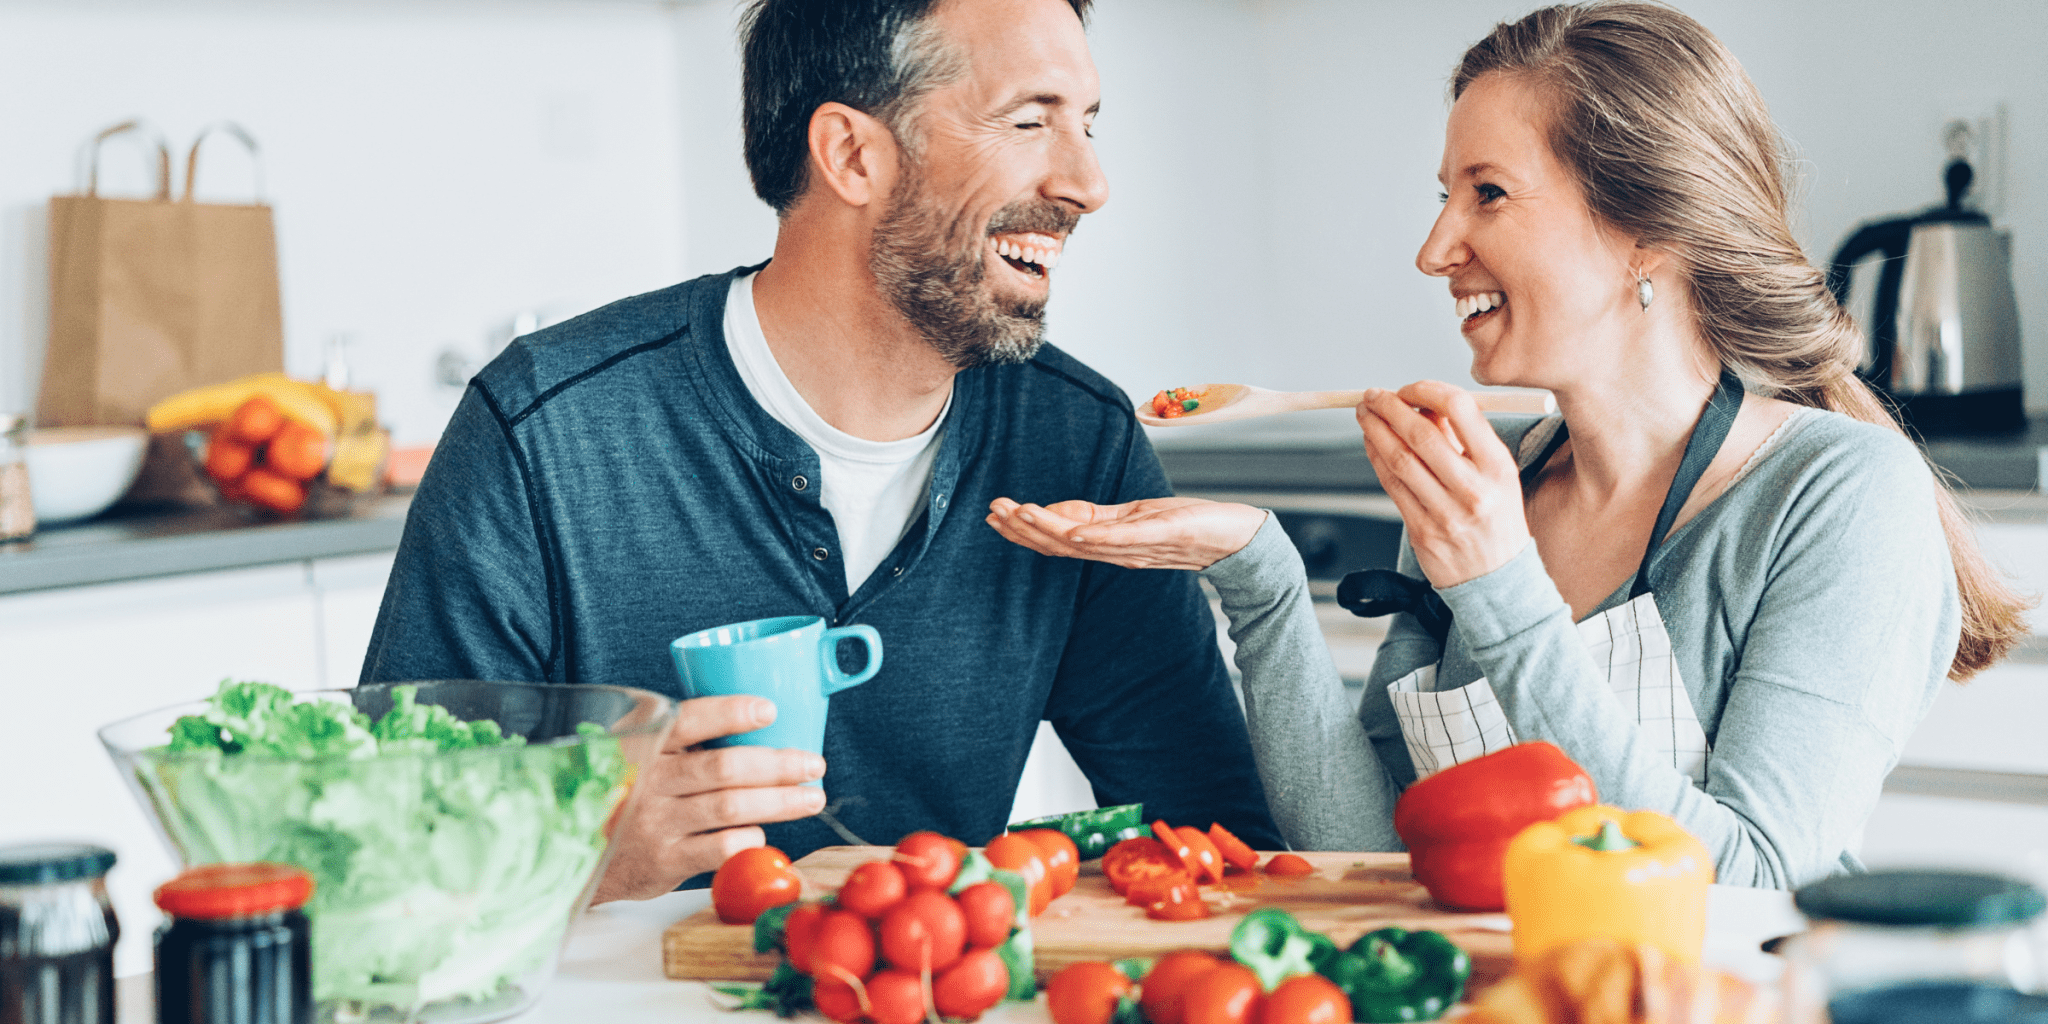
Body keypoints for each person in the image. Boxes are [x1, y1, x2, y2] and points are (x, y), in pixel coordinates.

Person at [988, 0, 2029, 889]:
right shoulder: (1497, 485)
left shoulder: (1835, 496)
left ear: (1648, 228)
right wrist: (1256, 576)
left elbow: (1753, 885)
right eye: (1442, 197)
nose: (1434, 248)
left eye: (1485, 193)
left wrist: (1498, 587)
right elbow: (1372, 856)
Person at [363, 0, 1280, 903]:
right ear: (850, 154)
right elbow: (379, 855)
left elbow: (1210, 835)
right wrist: (575, 855)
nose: (1089, 181)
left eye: (1086, 124)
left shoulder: (1075, 439)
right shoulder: (545, 432)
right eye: (1030, 120)